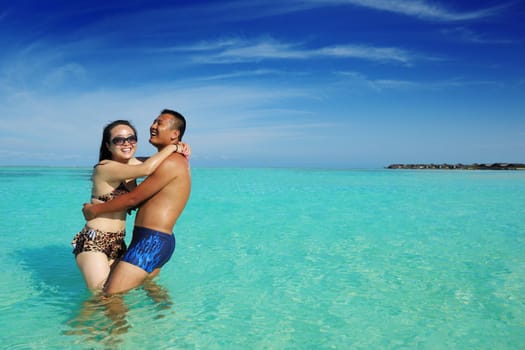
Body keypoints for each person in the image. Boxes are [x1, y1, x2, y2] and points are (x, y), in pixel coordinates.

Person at [72, 119, 190, 292]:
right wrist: (173, 147)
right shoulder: (105, 167)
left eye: (131, 138)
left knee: (117, 293)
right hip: (95, 241)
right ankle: (77, 321)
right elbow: (147, 169)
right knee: (101, 295)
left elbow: (160, 162)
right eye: (119, 140)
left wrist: (180, 149)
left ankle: (158, 313)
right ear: (108, 145)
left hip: (118, 243)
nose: (126, 143)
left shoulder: (131, 164)